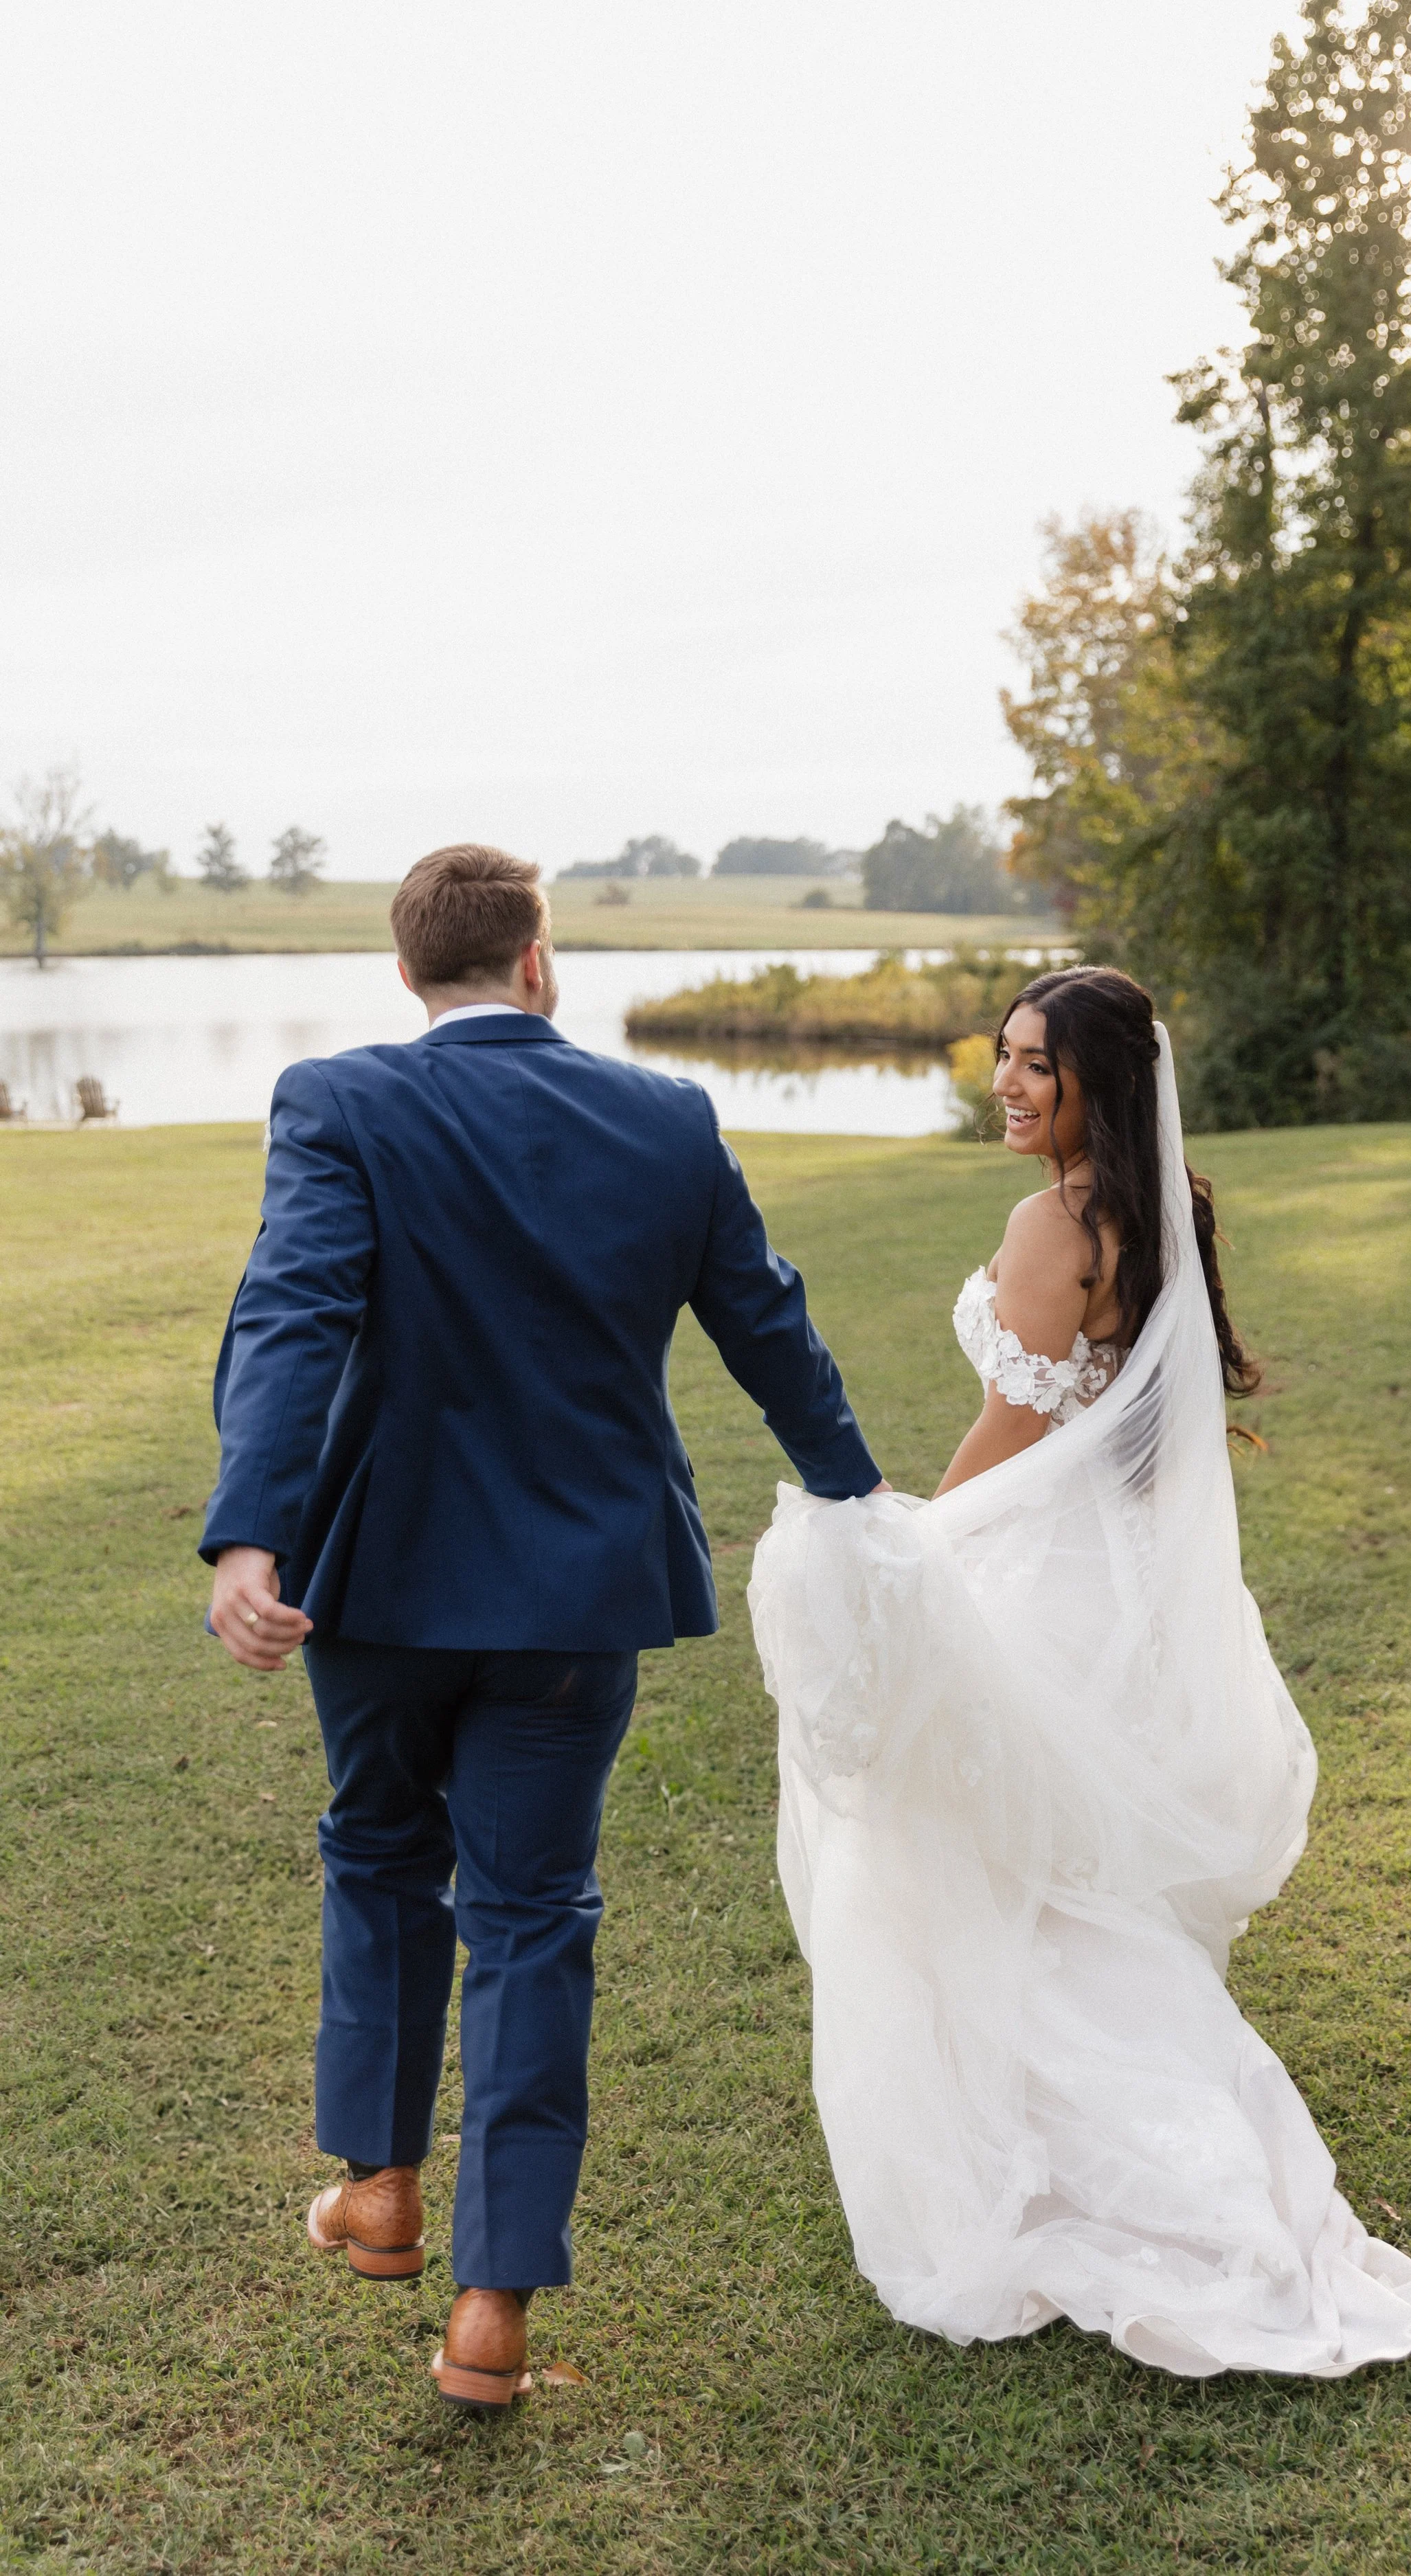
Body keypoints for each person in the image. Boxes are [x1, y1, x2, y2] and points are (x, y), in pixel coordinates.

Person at [201, 842, 879, 2411]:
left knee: (377, 1849)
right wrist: (854, 1492)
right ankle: (490, 2311)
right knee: (532, 1917)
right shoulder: (664, 1118)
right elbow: (763, 1320)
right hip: (578, 1596)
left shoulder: (340, 1100)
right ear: (536, 959)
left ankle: (376, 2187)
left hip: (374, 1587)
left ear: (405, 972)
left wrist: (251, 1534)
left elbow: (291, 1309)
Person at [749, 966, 1411, 2376]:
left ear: (1096, 1084)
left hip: (1030, 1570)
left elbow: (1015, 1417)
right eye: (1001, 1057)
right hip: (1108, 1576)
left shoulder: (1050, 1218)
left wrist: (917, 1545)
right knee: (1060, 1872)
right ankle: (1094, 2144)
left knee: (980, 1862)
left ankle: (1106, 2162)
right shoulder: (1163, 1201)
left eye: (1034, 1068)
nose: (1004, 1084)